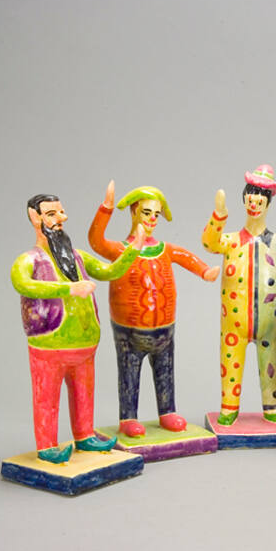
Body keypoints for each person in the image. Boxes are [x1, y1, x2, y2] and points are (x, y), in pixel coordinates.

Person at [11, 194, 144, 463]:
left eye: (61, 212)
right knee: (46, 396)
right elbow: (22, 284)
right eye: (52, 214)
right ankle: (47, 446)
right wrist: (69, 288)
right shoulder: (29, 260)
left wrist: (133, 250)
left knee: (84, 393)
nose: (62, 218)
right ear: (35, 218)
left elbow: (109, 272)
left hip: (85, 344)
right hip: (49, 344)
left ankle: (85, 436)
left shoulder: (77, 256)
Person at [88, 181, 220, 438]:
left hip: (164, 329)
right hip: (129, 330)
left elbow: (185, 256)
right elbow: (96, 241)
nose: (151, 219)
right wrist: (106, 208)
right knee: (129, 371)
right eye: (146, 212)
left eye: (156, 214)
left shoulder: (164, 250)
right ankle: (128, 417)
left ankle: (167, 412)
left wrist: (205, 271)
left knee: (165, 369)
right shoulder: (121, 250)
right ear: (134, 212)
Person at [202, 165, 276, 426]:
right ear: (244, 199)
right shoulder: (231, 240)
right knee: (231, 361)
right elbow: (209, 243)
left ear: (268, 203)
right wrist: (219, 215)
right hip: (234, 322)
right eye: (250, 198)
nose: (254, 204)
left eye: (260, 200)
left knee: (271, 362)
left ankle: (272, 407)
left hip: (270, 324)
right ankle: (229, 407)